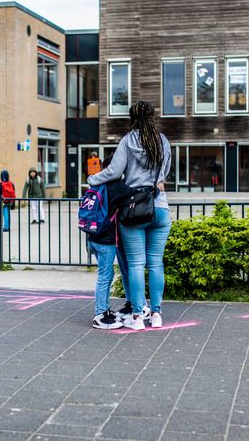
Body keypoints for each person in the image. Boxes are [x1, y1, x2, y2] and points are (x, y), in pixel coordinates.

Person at [88, 101, 172, 331]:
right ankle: (156, 314)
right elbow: (163, 175)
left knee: (135, 264)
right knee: (156, 264)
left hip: (135, 210)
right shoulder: (163, 141)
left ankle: (137, 317)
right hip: (160, 209)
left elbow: (114, 171)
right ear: (152, 116)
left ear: (132, 117)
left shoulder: (128, 140)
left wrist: (92, 180)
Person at [86, 155, 132, 330]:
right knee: (105, 276)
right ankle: (99, 315)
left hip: (93, 237)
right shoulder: (117, 187)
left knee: (107, 275)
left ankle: (105, 311)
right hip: (106, 240)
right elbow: (137, 194)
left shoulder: (98, 184)